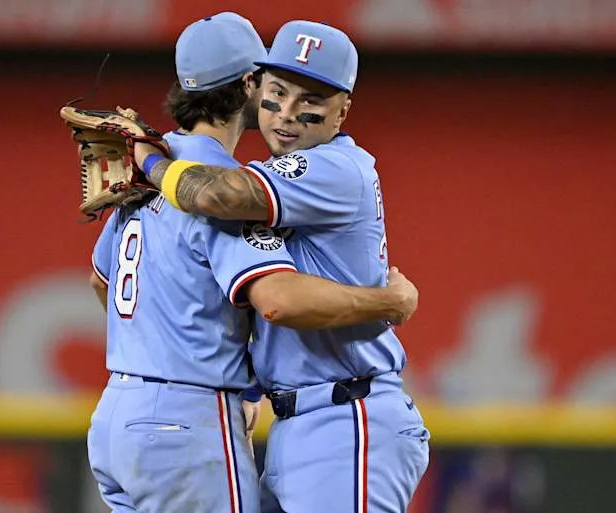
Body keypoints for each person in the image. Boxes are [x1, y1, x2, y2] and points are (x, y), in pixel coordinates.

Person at [87, 14, 420, 513]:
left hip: (342, 415)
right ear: (251, 84)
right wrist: (389, 301)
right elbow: (277, 299)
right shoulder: (208, 176)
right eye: (279, 90)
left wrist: (149, 162)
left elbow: (103, 283)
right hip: (218, 420)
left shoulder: (326, 168)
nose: (287, 112)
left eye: (310, 100)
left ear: (343, 111)